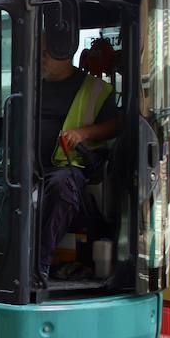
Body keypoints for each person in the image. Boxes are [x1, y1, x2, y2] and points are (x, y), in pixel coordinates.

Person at [37, 38, 119, 280]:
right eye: (38, 52)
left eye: (46, 53)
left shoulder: (95, 89)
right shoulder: (31, 85)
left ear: (65, 52)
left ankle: (39, 264)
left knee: (63, 186)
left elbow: (116, 124)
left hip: (68, 166)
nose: (40, 58)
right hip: (27, 166)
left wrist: (83, 133)